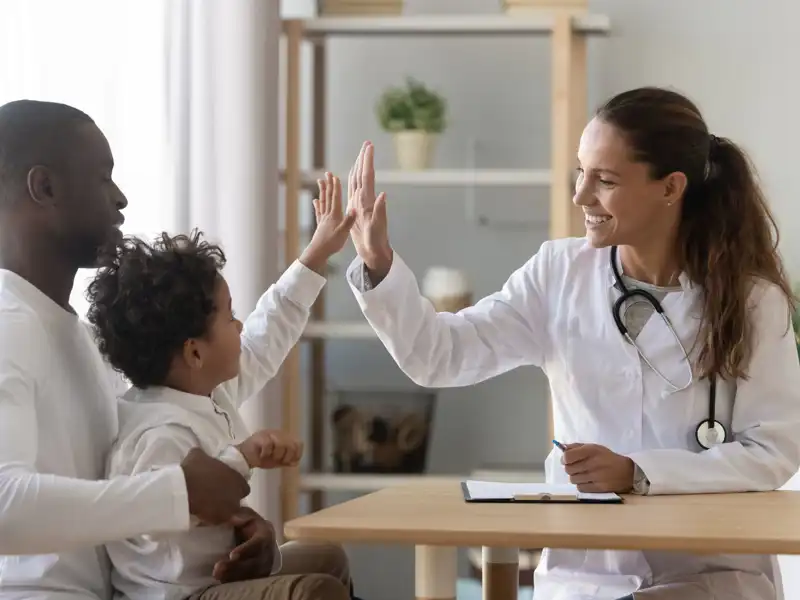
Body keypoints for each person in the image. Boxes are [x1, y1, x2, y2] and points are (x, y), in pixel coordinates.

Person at [342, 87, 800, 600]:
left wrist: (638, 473)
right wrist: (379, 266)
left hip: (707, 576)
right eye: (580, 173)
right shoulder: (558, 274)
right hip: (587, 577)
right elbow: (441, 356)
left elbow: (773, 451)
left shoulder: (752, 301)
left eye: (604, 180)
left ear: (670, 187)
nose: (581, 196)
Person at [0, 99, 276, 600]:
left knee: (319, 564)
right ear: (44, 187)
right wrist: (178, 494)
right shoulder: (6, 325)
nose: (121, 198)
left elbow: (126, 486)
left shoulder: (77, 336)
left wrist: (231, 522)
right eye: (103, 178)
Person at [87, 174, 354, 600]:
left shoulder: (207, 392)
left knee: (326, 557)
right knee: (314, 590)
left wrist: (318, 252)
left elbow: (271, 330)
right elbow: (154, 512)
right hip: (181, 596)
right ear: (195, 353)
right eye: (230, 317)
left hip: (218, 580)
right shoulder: (154, 430)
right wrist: (242, 457)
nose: (241, 325)